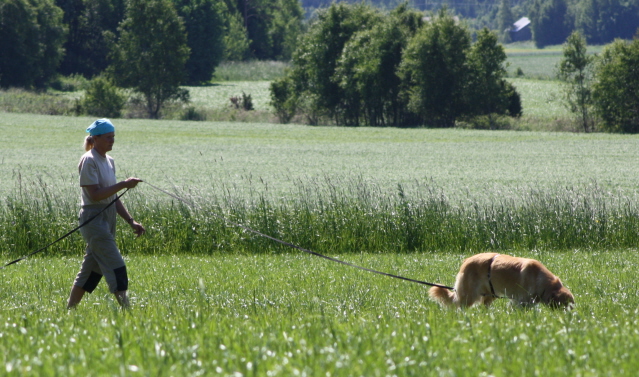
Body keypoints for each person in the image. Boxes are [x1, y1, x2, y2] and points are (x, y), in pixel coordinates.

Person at [67, 119, 145, 309]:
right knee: (116, 264)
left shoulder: (109, 161)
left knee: (92, 270)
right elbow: (94, 195)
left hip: (107, 217)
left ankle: (70, 310)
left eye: (113, 137)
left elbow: (112, 196)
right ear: (96, 138)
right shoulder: (89, 160)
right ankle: (127, 311)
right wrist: (124, 184)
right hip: (93, 219)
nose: (112, 141)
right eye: (108, 137)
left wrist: (131, 221)